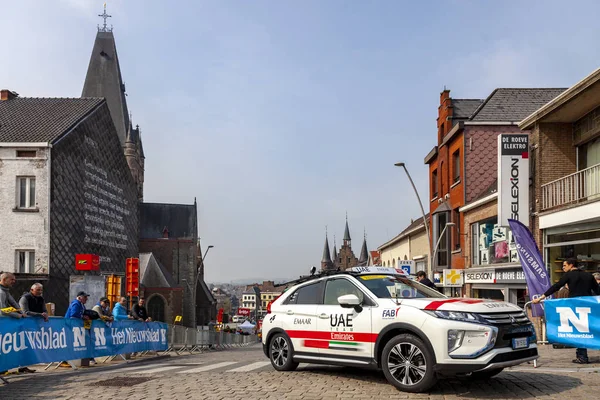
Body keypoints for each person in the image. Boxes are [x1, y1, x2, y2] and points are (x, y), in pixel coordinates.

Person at [533, 258, 600, 364]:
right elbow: (597, 291)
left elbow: (556, 286)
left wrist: (540, 298)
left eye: (565, 265)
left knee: (580, 332)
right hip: (588, 306)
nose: (563, 267)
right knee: (592, 329)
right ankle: (582, 355)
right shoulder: (589, 275)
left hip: (575, 307)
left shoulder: (569, 275)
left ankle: (582, 357)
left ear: (571, 265)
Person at [0, 272, 34, 374]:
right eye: (12, 280)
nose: (14, 282)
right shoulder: (1, 292)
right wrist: (19, 315)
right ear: (4, 279)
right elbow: (2, 310)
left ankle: (4, 368)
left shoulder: (6, 291)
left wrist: (21, 312)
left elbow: (13, 303)